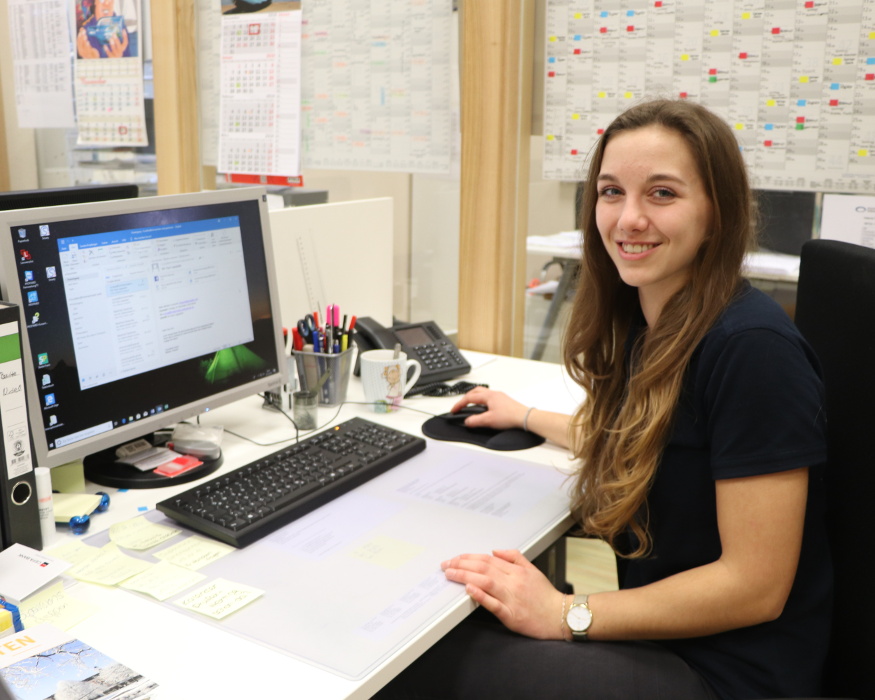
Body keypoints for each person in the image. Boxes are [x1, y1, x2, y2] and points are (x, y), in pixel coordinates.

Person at [376, 99, 831, 700]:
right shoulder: (659, 321)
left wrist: (568, 613)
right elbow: (658, 441)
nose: (629, 218)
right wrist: (528, 416)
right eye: (612, 192)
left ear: (716, 213)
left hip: (726, 672)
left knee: (410, 663)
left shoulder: (752, 349)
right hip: (664, 638)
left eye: (662, 194)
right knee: (429, 618)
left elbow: (754, 585)